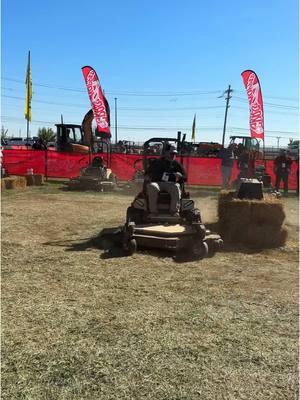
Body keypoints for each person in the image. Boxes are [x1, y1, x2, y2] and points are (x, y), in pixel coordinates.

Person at [145, 144, 186, 216]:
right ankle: (153, 212)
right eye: (171, 153)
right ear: (166, 153)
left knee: (176, 187)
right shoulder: (157, 162)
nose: (173, 155)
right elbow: (147, 173)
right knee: (152, 186)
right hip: (157, 183)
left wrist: (181, 176)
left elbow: (185, 177)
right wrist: (147, 176)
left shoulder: (176, 164)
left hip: (171, 184)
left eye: (175, 154)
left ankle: (174, 211)